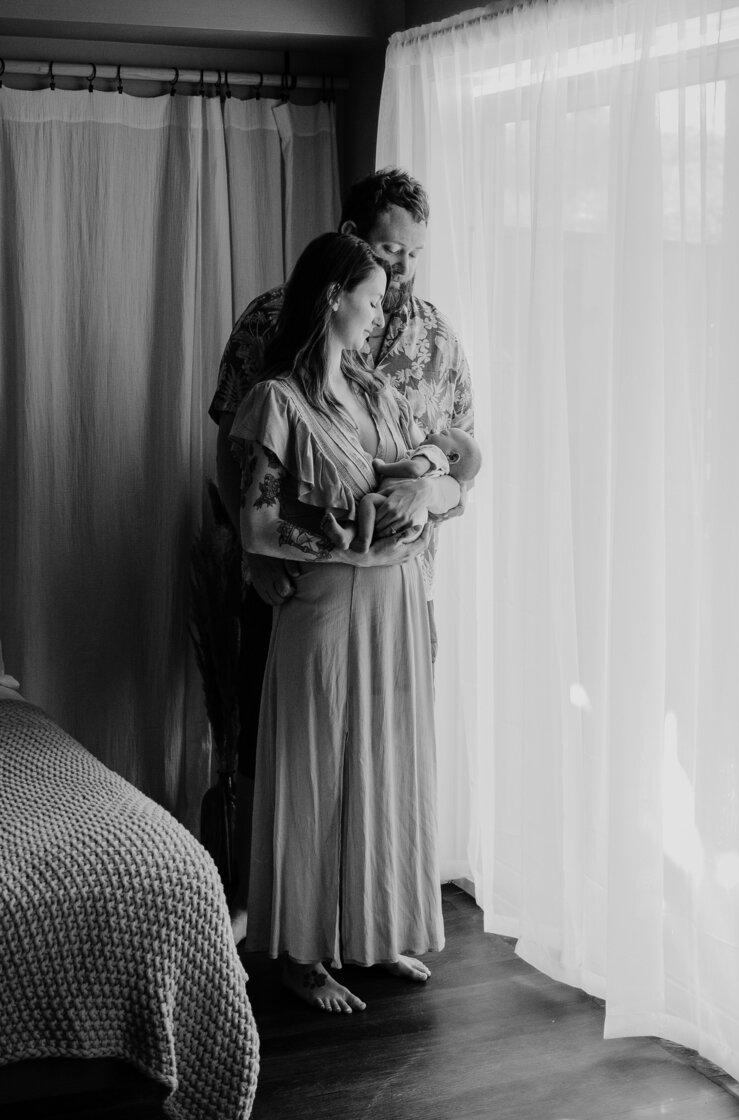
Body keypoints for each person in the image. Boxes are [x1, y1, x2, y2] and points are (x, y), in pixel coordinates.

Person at [209, 167, 475, 942]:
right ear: (354, 242)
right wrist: (255, 552)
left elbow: (462, 452)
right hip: (304, 583)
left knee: (387, 757)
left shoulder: (437, 343)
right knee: (291, 746)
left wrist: (430, 487)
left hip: (402, 585)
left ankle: (368, 921)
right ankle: (283, 920)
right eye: (392, 250)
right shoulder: (271, 319)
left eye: (416, 253)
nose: (404, 270)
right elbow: (236, 446)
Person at [322, 428, 482, 554]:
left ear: (452, 457)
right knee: (365, 515)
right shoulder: (442, 472)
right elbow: (462, 483)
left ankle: (362, 540)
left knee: (368, 501)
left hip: (394, 503)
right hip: (414, 526)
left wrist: (382, 467)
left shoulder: (432, 454)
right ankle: (348, 536)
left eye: (443, 433)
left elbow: (414, 469)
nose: (433, 430)